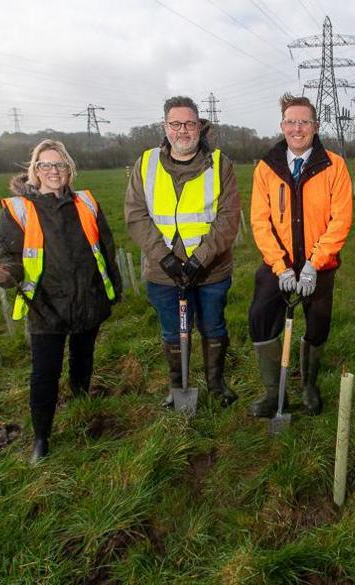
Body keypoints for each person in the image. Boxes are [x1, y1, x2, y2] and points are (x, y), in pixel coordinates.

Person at [0, 139, 122, 464]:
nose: (53, 171)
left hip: (86, 299)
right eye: (45, 165)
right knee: (44, 373)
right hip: (45, 306)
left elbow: (106, 247)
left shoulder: (86, 203)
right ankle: (41, 438)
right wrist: (7, 273)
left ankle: (81, 413)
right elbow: (9, 255)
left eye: (59, 164)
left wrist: (112, 288)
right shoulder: (19, 208)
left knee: (82, 360)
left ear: (69, 169)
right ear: (34, 170)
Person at [125, 96, 240, 408]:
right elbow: (136, 215)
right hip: (163, 273)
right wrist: (165, 259)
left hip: (211, 270)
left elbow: (229, 220)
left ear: (199, 127)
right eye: (175, 124)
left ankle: (216, 384)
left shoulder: (221, 164)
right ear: (165, 127)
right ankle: (178, 387)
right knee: (173, 331)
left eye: (189, 123)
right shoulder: (145, 164)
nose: (183, 130)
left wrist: (198, 261)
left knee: (213, 326)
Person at [247, 95, 353, 417]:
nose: (297, 128)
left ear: (316, 126)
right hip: (277, 264)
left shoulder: (334, 166)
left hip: (318, 265)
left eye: (304, 122)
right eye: (291, 122)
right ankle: (272, 391)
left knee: (318, 323)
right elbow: (259, 221)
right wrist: (280, 267)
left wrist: (313, 264)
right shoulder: (267, 168)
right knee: (260, 319)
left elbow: (341, 219)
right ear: (281, 126)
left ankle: (309, 385)